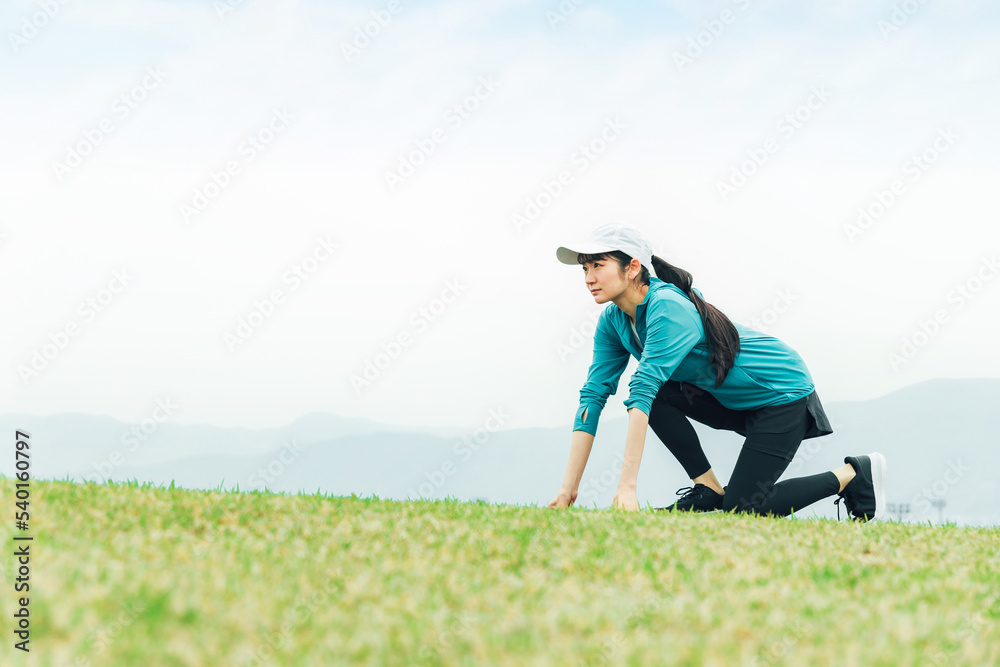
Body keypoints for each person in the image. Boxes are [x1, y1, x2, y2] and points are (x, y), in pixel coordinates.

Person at [546, 222, 887, 521]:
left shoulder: (667, 306)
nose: (589, 278)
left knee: (743, 509)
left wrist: (627, 490)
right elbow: (593, 395)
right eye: (584, 269)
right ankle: (707, 487)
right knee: (657, 395)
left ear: (632, 267)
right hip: (730, 398)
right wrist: (567, 491)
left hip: (781, 393)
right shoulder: (614, 321)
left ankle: (853, 473)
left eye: (598, 265)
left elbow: (644, 387)